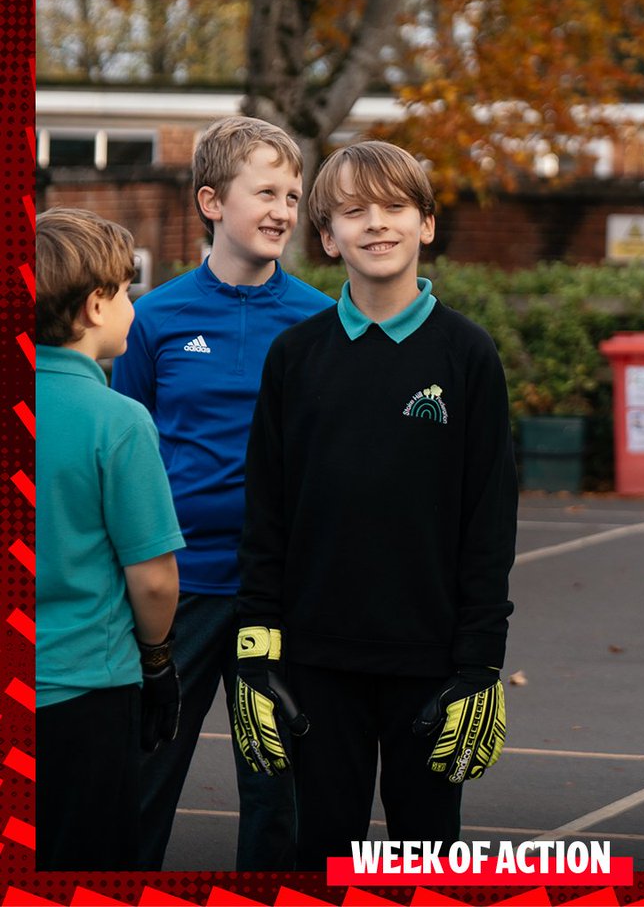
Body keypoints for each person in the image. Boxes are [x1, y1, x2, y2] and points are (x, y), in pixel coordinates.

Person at [233, 140, 518, 871]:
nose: (376, 224)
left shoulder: (468, 354)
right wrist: (256, 650)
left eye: (395, 207)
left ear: (427, 224)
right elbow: (266, 514)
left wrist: (481, 662)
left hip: (432, 659)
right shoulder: (295, 356)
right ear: (327, 238)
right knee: (322, 852)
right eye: (354, 212)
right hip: (315, 659)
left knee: (426, 852)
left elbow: (489, 522)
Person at [111, 117, 334, 870]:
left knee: (278, 795)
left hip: (282, 594)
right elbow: (129, 455)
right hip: (180, 589)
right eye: (265, 192)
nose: (283, 210)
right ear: (211, 201)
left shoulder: (320, 322)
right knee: (143, 777)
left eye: (293, 196)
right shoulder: (154, 318)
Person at [36, 208, 184, 870]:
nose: (133, 305)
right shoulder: (118, 420)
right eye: (126, 292)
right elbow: (152, 578)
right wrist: (158, 660)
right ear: (96, 306)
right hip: (85, 690)